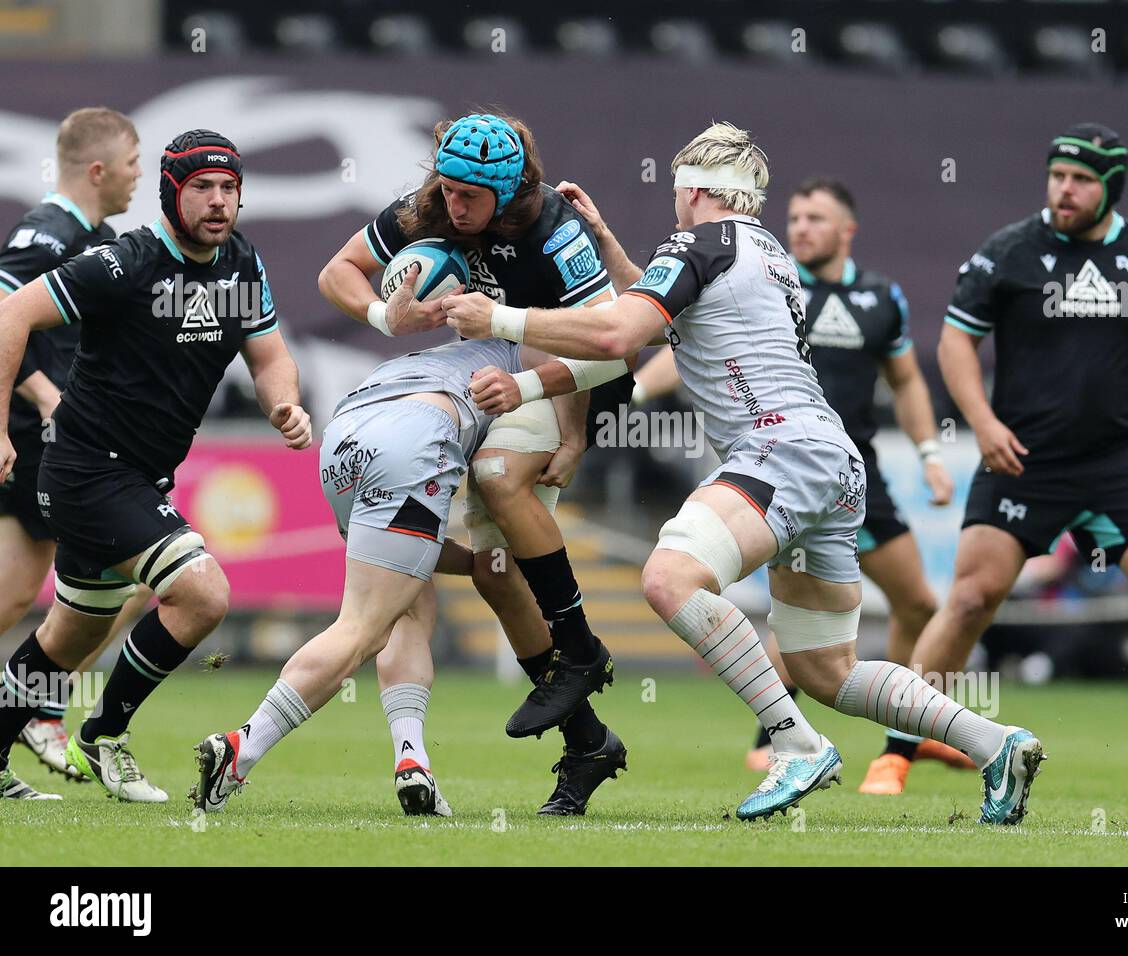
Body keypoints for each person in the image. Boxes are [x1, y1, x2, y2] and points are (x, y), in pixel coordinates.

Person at [446, 122, 1045, 824]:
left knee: (669, 578)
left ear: (693, 191)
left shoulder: (698, 242)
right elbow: (672, 318)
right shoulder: (764, 250)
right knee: (828, 669)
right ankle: (994, 741)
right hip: (831, 459)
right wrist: (608, 245)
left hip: (778, 450)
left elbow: (617, 336)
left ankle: (793, 743)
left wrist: (502, 318)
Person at [913, 122, 1128, 799]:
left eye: (1082, 180)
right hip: (1024, 458)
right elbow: (954, 347)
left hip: (1121, 461)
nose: (1064, 190)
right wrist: (982, 424)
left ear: (1110, 188)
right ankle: (901, 745)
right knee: (973, 597)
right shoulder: (1007, 252)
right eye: (1057, 176)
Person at [317, 112, 630, 815]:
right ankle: (588, 744)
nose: (454, 207)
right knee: (494, 571)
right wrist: (382, 318)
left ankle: (579, 647)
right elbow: (337, 271)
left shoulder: (552, 226)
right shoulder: (427, 206)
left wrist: (564, 425)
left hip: (568, 379)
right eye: (447, 189)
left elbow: (611, 349)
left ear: (509, 190)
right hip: (502, 372)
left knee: (496, 476)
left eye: (469, 197)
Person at [621, 176, 974, 792]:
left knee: (915, 602)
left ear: (847, 230)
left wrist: (929, 452)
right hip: (798, 462)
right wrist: (634, 394)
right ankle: (803, 736)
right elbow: (677, 333)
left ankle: (862, 745)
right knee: (820, 650)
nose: (802, 227)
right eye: (797, 216)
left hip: (818, 462)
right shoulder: (770, 271)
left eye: (816, 217)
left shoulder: (876, 297)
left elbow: (908, 382)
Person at [0, 130, 311, 803]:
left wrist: (284, 404)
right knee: (203, 594)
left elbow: (271, 357)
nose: (219, 201)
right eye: (203, 187)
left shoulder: (241, 263)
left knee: (67, 635)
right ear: (173, 192)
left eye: (230, 188)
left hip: (139, 475)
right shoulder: (124, 263)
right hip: (88, 469)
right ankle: (105, 733)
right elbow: (12, 312)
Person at [191, 336, 626, 816]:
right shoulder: (516, 345)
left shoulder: (434, 354)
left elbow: (408, 548)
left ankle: (411, 759)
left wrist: (477, 563)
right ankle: (242, 748)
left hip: (343, 439)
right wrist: (574, 437)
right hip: (414, 438)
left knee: (409, 607)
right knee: (360, 629)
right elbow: (578, 360)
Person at [0, 107, 154, 792]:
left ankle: (37, 704)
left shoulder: (101, 238)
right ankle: (39, 706)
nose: (138, 175)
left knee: (114, 583)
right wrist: (37, 398)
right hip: (36, 441)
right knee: (108, 580)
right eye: (131, 163)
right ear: (97, 170)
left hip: (72, 445)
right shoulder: (46, 234)